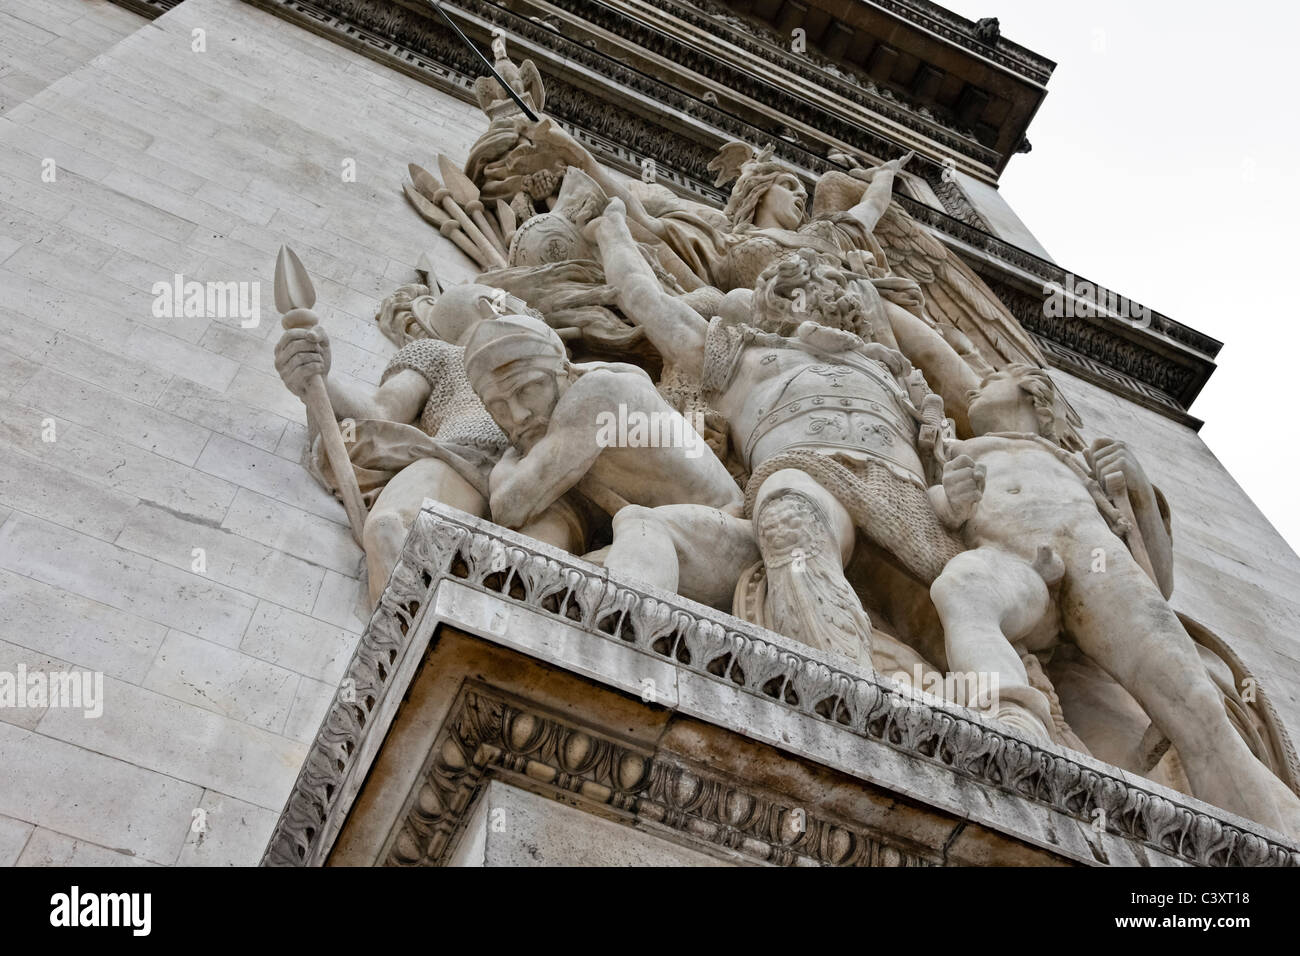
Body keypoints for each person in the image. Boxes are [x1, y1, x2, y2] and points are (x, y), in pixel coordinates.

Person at [928, 363, 1300, 836]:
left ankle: (1268, 844)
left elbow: (1157, 585)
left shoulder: (1081, 465)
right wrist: (950, 500)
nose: (976, 386)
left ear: (1037, 396)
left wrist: (1140, 493)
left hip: (1094, 559)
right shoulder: (954, 449)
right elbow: (928, 509)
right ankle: (1010, 721)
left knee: (1195, 703)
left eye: (993, 379)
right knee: (960, 587)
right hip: (1012, 561)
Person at [274, 284, 584, 605]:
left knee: (538, 582)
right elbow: (380, 414)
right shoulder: (441, 353)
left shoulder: (564, 369)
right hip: (458, 460)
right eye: (516, 299)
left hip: (550, 481)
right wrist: (321, 380)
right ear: (490, 306)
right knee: (394, 531)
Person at [460, 313, 758, 610]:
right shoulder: (563, 434)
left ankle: (624, 641)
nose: (518, 415)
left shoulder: (598, 392)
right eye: (498, 407)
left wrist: (512, 457)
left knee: (637, 524)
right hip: (663, 548)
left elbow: (509, 505)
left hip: (730, 544)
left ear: (563, 371)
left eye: (526, 390)